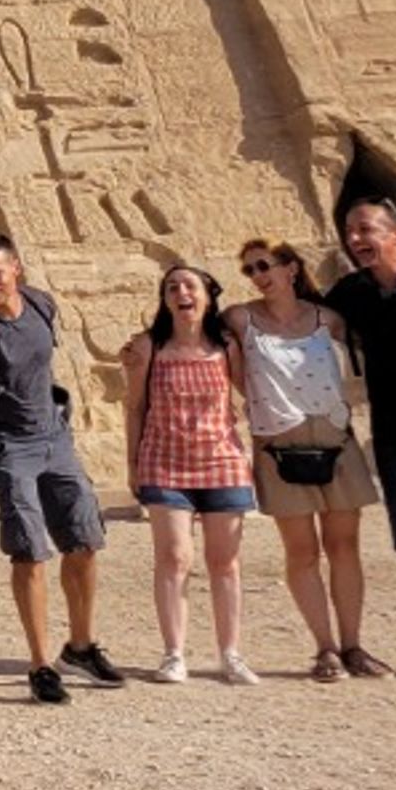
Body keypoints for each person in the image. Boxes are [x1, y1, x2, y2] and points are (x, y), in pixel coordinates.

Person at [0, 229, 120, 701]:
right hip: (9, 448)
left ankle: (81, 644)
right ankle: (40, 664)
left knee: (85, 540)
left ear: (16, 268)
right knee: (30, 552)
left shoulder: (40, 304)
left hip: (55, 437)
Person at [239, 239, 383, 678]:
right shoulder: (242, 319)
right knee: (302, 551)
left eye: (263, 265)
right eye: (249, 270)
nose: (258, 276)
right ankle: (325, 649)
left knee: (344, 546)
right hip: (280, 446)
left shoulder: (330, 320)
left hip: (334, 437)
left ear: (290, 269)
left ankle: (354, 645)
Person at [121, 260, 258, 686]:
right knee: (174, 557)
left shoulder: (226, 347)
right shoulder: (150, 347)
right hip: (165, 460)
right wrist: (132, 462)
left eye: (189, 286)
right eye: (171, 288)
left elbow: (253, 393)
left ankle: (230, 653)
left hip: (222, 461)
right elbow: (136, 405)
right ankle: (174, 653)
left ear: (208, 294)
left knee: (225, 562)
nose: (181, 293)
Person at [321, 195, 396, 617]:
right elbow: (301, 317)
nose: (354, 238)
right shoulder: (353, 293)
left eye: (365, 229)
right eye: (349, 231)